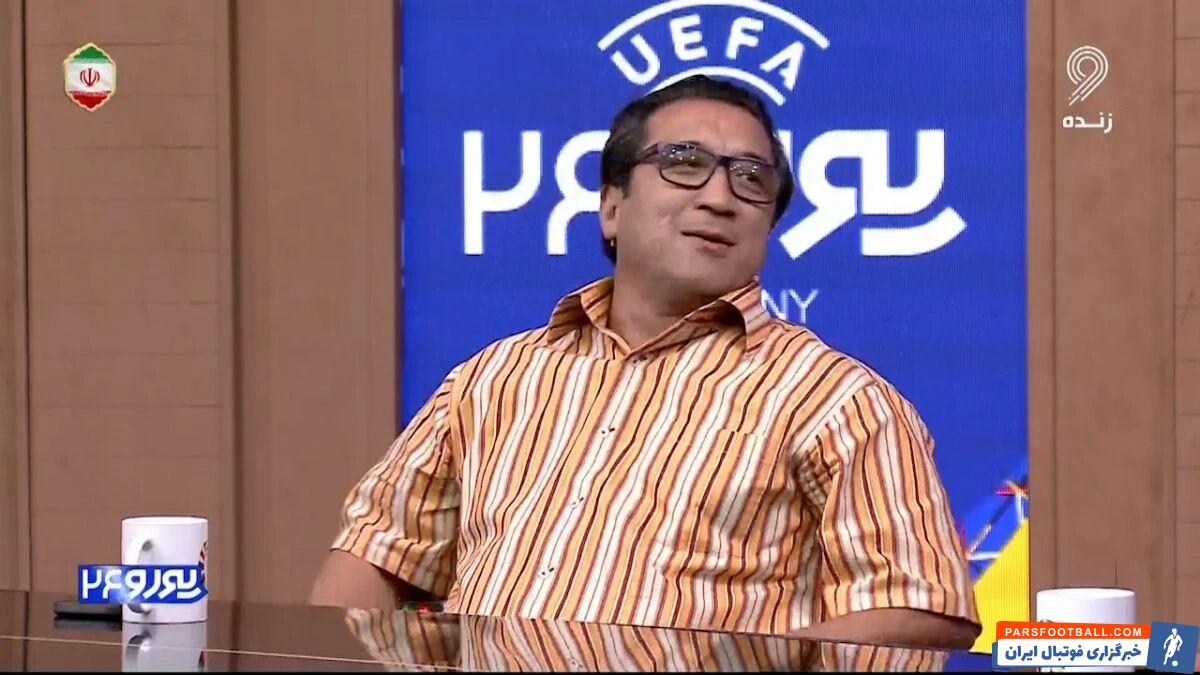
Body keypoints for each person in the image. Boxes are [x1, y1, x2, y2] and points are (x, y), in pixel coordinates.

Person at [311, 75, 981, 649]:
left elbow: (923, 604)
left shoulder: (837, 399)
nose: (720, 197)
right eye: (684, 163)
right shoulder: (493, 378)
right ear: (611, 206)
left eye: (752, 179)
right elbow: (376, 554)